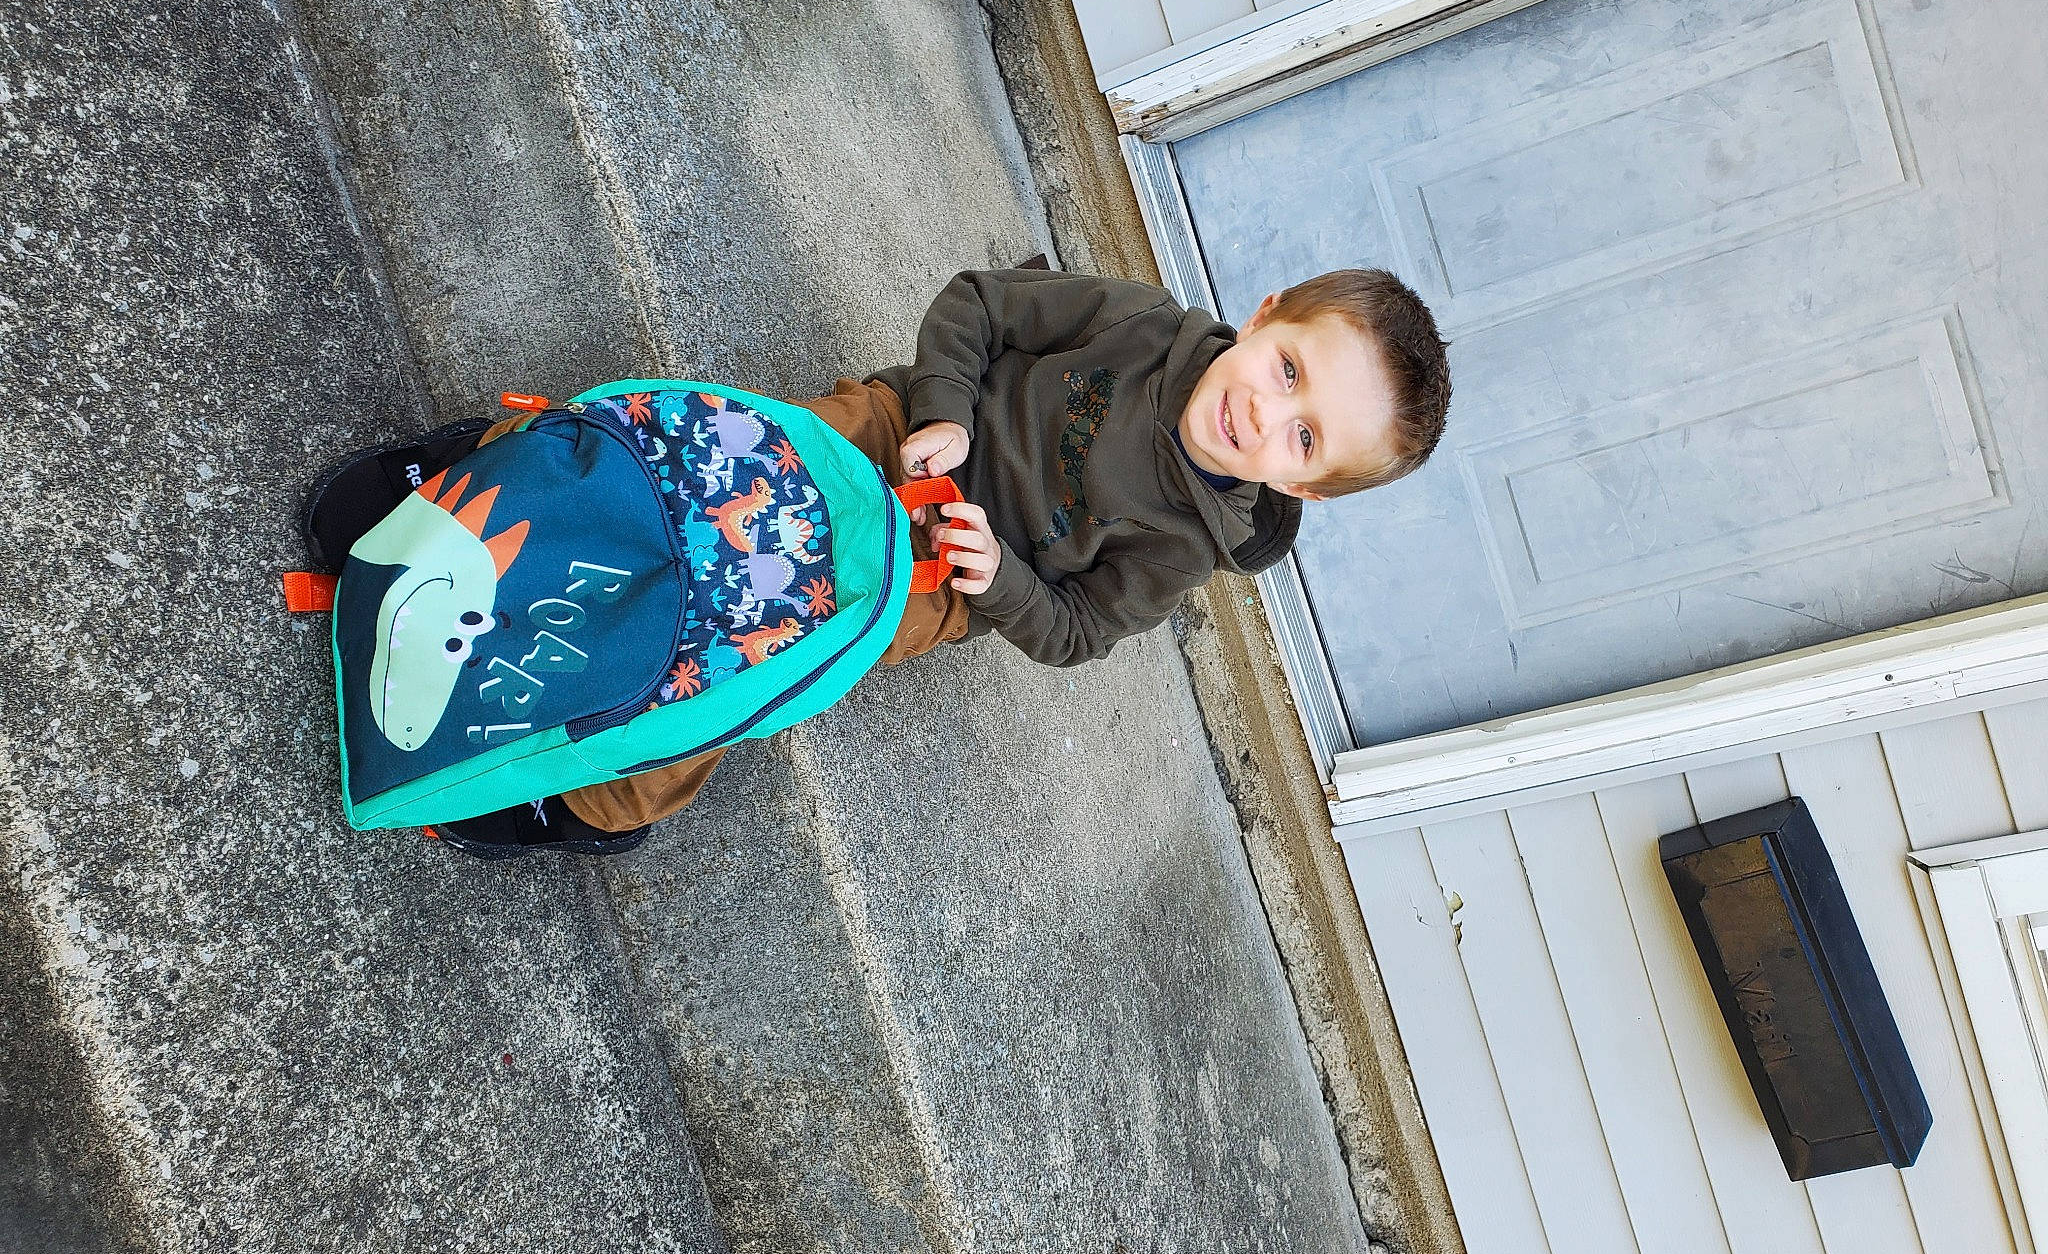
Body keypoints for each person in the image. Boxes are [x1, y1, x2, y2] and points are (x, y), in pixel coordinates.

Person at [309, 267, 1450, 857]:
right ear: (1264, 318)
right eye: (1290, 369)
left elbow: (1074, 632)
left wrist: (994, 572)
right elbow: (980, 305)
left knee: (753, 657)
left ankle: (599, 795)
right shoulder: (1146, 323)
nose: (1266, 413)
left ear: (1300, 486)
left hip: (936, 585)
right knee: (695, 453)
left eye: (1304, 439)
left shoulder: (1181, 549)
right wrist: (944, 409)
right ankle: (495, 477)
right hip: (886, 430)